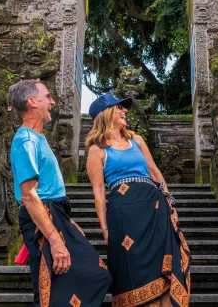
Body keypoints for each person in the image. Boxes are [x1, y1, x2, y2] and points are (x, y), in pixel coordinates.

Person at [9, 80, 111, 307]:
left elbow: (46, 190)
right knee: (49, 290)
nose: (52, 101)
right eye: (47, 96)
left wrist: (66, 221)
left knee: (96, 274)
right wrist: (55, 240)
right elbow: (29, 196)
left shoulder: (37, 139)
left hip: (55, 212)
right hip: (41, 217)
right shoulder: (25, 141)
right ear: (32, 102)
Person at [86, 93, 191, 307]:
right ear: (106, 114)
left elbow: (154, 171)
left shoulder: (136, 139)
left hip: (154, 207)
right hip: (124, 214)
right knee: (132, 264)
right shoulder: (97, 150)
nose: (125, 111)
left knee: (165, 263)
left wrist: (170, 202)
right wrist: (105, 228)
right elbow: (98, 191)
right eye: (119, 108)